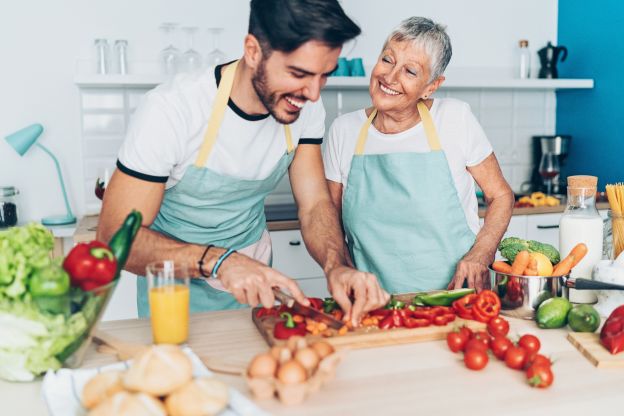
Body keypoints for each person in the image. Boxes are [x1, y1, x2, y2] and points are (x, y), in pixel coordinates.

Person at [97, 0, 389, 324]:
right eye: (299, 73)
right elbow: (114, 236)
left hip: (256, 283)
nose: (314, 93)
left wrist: (338, 266)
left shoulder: (304, 108)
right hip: (176, 291)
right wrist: (221, 261)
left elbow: (314, 203)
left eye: (324, 76)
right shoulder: (172, 111)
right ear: (253, 51)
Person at [323, 17, 514, 293]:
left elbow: (501, 196)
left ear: (431, 86)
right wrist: (344, 272)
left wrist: (480, 255)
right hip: (375, 303)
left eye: (410, 71)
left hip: (455, 295)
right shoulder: (344, 130)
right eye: (387, 60)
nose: (390, 77)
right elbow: (330, 219)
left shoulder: (454, 118)